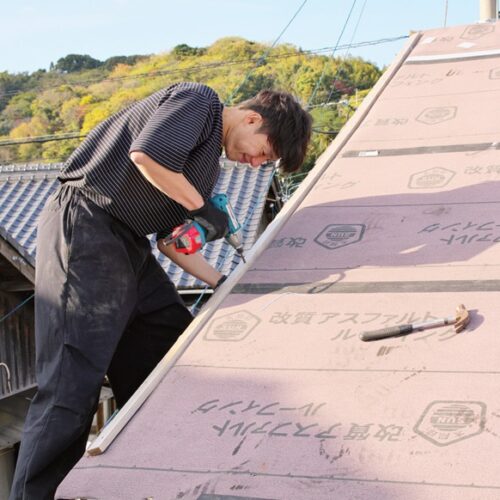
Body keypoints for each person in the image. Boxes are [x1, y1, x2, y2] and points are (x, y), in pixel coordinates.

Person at [9, 81, 312, 500]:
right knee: (70, 383)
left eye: (266, 163)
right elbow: (147, 154)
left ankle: (146, 482)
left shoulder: (206, 173)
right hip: (87, 223)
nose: (258, 163)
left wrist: (225, 283)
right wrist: (200, 207)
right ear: (252, 119)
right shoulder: (199, 101)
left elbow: (171, 244)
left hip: (130, 244)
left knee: (169, 354)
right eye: (265, 152)